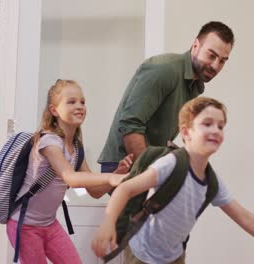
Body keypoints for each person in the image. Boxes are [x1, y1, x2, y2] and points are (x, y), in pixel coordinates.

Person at [92, 97, 254, 264]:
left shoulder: (212, 181)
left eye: (220, 126)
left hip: (174, 256)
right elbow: (126, 188)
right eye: (207, 124)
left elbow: (245, 218)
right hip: (143, 254)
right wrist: (108, 223)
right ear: (186, 132)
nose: (215, 131)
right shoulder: (171, 163)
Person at [6, 79, 133, 264]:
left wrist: (118, 172)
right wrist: (112, 177)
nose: (80, 106)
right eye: (71, 102)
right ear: (54, 110)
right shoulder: (49, 142)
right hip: (24, 226)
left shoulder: (76, 147)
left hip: (49, 226)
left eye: (82, 102)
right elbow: (71, 178)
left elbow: (95, 192)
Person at [98, 21, 234, 179]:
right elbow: (130, 124)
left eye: (222, 61)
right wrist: (150, 175)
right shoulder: (164, 70)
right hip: (122, 164)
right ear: (196, 45)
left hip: (145, 163)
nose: (215, 66)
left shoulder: (194, 84)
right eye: (211, 55)